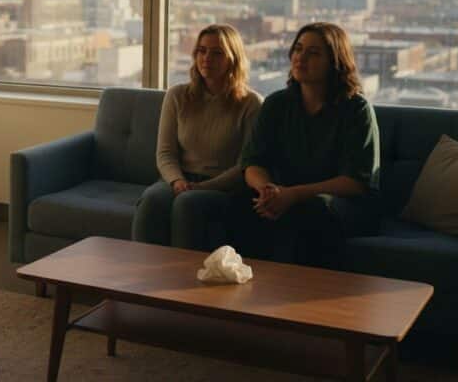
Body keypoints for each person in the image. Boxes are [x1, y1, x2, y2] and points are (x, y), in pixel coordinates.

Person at [228, 21, 380, 268]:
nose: (301, 57)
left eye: (314, 53)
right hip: (284, 193)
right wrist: (267, 191)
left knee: (313, 209)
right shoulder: (277, 104)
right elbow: (253, 162)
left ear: (335, 62)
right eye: (298, 49)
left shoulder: (356, 110)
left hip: (341, 205)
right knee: (240, 202)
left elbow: (355, 182)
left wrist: (292, 195)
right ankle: (242, 289)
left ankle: (296, 296)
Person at [132, 24, 262, 250]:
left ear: (233, 59)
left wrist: (204, 187)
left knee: (187, 203)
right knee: (152, 200)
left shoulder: (251, 104)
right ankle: (138, 278)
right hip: (180, 179)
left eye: (217, 53)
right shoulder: (177, 96)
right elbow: (165, 152)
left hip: (224, 187)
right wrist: (177, 180)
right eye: (201, 51)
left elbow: (245, 165)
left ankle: (181, 278)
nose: (206, 58)